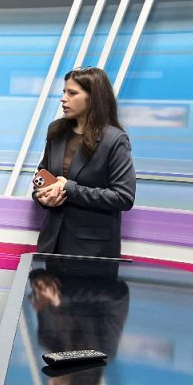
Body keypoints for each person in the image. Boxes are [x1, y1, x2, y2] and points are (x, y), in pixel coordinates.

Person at [33, 67, 136, 258]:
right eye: (64, 92)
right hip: (51, 244)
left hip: (92, 252)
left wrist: (69, 188)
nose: (63, 99)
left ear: (93, 97)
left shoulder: (114, 140)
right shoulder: (56, 131)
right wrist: (41, 196)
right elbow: (41, 176)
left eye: (72, 93)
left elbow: (123, 197)